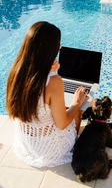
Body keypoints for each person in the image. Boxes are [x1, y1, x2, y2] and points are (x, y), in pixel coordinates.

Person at [6, 21, 88, 167]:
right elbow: (62, 124)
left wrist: (52, 72)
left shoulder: (15, 70)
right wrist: (77, 103)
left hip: (26, 141)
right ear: (51, 50)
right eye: (58, 46)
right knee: (78, 108)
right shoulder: (53, 81)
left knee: (61, 106)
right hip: (49, 149)